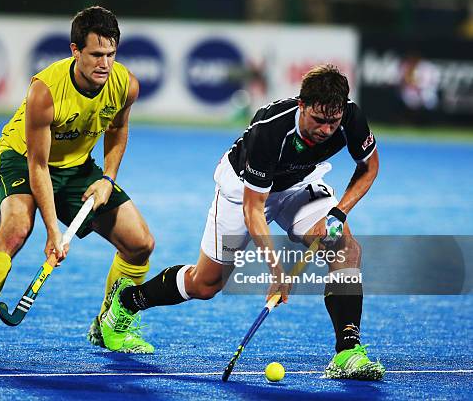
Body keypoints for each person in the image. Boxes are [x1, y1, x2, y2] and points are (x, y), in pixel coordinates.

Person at [100, 65, 386, 380]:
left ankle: (348, 351)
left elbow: (369, 166)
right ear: (302, 105)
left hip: (299, 185)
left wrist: (338, 212)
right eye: (318, 121)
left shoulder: (350, 118)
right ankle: (126, 301)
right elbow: (254, 209)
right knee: (205, 284)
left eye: (332, 122)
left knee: (345, 249)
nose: (325, 130)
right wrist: (276, 271)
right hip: (243, 192)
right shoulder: (270, 129)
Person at [0, 6, 155, 361]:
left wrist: (108, 178)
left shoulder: (126, 85)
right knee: (16, 228)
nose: (104, 64)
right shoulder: (45, 92)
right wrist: (51, 232)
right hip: (23, 157)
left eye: (111, 54)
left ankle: (111, 324)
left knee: (140, 243)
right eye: (95, 55)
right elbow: (39, 164)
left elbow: (118, 130)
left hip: (77, 167)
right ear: (75, 51)